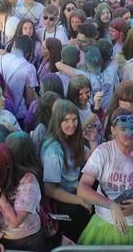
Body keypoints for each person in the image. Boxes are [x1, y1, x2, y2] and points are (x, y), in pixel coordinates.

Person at [76, 108, 133, 245]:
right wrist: (111, 205)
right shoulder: (103, 152)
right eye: (123, 129)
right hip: (104, 224)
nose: (129, 133)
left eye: (132, 128)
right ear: (113, 130)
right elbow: (82, 188)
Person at [41, 100, 96, 242]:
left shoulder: (71, 140)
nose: (71, 124)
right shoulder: (53, 150)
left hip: (77, 192)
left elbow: (94, 162)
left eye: (74, 119)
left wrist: (92, 141)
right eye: (66, 120)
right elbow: (50, 189)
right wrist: (80, 201)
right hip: (63, 203)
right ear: (57, 121)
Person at [0, 142, 45, 252]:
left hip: (27, 242)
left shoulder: (28, 181)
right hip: (0, 240)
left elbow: (14, 222)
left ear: (5, 167)